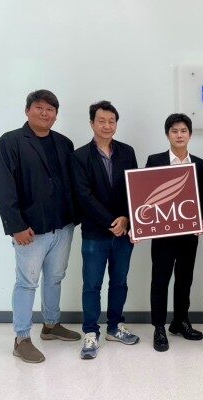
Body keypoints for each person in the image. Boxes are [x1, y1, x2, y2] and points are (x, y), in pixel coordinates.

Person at [0, 89, 81, 364]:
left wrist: (75, 217)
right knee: (27, 283)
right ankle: (21, 338)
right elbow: (4, 187)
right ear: (27, 110)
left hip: (62, 226)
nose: (45, 113)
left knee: (55, 278)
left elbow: (71, 183)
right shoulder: (10, 142)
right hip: (30, 230)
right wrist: (16, 226)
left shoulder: (64, 143)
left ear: (56, 115)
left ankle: (51, 325)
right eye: (39, 107)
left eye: (50, 109)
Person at [71, 100, 140, 360]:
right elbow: (83, 196)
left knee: (119, 282)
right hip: (95, 232)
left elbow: (135, 189)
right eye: (101, 121)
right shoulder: (79, 156)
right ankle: (91, 332)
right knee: (92, 284)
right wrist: (113, 222)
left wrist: (127, 219)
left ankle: (114, 326)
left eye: (112, 121)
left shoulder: (127, 152)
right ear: (92, 123)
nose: (107, 125)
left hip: (124, 232)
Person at [145, 113, 203, 352]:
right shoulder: (155, 160)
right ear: (167, 134)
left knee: (184, 278)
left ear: (190, 134)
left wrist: (201, 220)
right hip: (163, 235)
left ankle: (180, 321)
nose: (179, 135)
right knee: (160, 280)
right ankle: (159, 327)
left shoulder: (199, 164)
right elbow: (145, 196)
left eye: (183, 131)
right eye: (174, 131)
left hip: (189, 234)